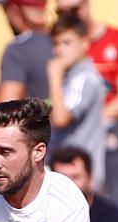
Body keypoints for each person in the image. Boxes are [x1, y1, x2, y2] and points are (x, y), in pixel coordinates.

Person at [57, 0, 118, 216]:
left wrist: (94, 122)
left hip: (113, 125)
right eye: (62, 11)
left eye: (75, 8)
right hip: (76, 126)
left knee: (112, 141)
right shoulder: (61, 46)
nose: (70, 15)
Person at [47, 10, 107, 188]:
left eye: (67, 42)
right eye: (56, 43)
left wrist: (54, 77)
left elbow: (61, 118)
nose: (59, 50)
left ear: (84, 43)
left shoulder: (84, 79)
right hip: (65, 171)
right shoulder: (70, 77)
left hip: (78, 174)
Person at [51, 145, 118, 222]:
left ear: (90, 178)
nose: (68, 184)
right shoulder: (40, 213)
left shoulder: (109, 216)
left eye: (75, 177)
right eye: (62, 178)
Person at [0, 0, 52, 106]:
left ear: (14, 10)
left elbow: (7, 109)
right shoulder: (65, 42)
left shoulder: (18, 50)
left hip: (43, 122)